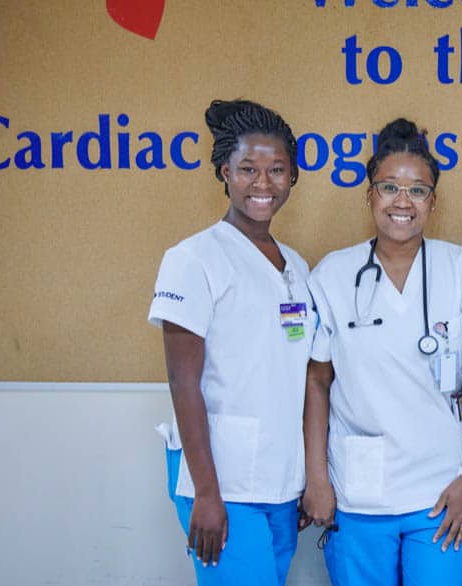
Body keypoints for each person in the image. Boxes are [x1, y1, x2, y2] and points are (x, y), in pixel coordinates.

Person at [300, 118, 462, 586]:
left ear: (433, 201)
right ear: (369, 194)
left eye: (417, 191)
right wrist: (317, 478)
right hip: (359, 493)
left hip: (442, 492)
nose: (402, 202)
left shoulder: (461, 269)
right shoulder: (332, 275)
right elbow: (317, 381)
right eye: (389, 187)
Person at [147, 99, 311, 586]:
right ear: (224, 172)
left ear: (293, 177)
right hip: (221, 482)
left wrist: (301, 481)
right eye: (248, 169)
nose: (263, 184)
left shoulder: (297, 267)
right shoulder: (193, 258)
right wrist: (206, 493)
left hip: (280, 479)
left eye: (277, 170)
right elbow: (182, 381)